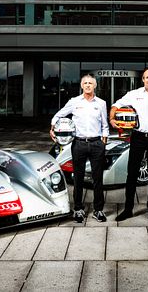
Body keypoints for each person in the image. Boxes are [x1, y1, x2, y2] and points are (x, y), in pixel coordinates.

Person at [110, 66, 148, 221]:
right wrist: (112, 119)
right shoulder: (134, 94)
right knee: (131, 174)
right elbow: (116, 105)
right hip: (137, 137)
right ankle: (128, 209)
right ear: (143, 79)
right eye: (147, 77)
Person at [50, 74, 109, 223]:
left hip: (96, 144)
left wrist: (104, 140)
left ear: (95, 86)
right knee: (78, 178)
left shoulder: (101, 103)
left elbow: (105, 125)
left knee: (97, 179)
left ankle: (98, 210)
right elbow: (58, 115)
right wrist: (53, 128)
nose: (88, 85)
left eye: (91, 83)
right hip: (79, 144)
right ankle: (78, 209)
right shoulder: (74, 102)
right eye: (85, 83)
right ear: (82, 85)